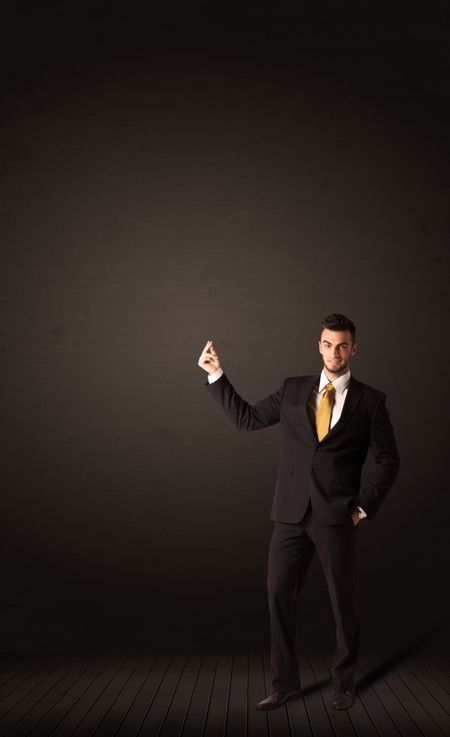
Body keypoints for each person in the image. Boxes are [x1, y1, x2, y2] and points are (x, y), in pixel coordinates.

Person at [197, 313, 400, 711]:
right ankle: (285, 684)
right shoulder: (293, 390)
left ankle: (344, 684)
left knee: (343, 603)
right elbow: (247, 419)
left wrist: (362, 508)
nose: (334, 352)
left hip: (337, 515)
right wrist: (216, 375)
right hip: (289, 514)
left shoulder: (371, 401)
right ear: (319, 345)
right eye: (328, 344)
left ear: (353, 349)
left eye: (342, 345)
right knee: (278, 596)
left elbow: (389, 460)